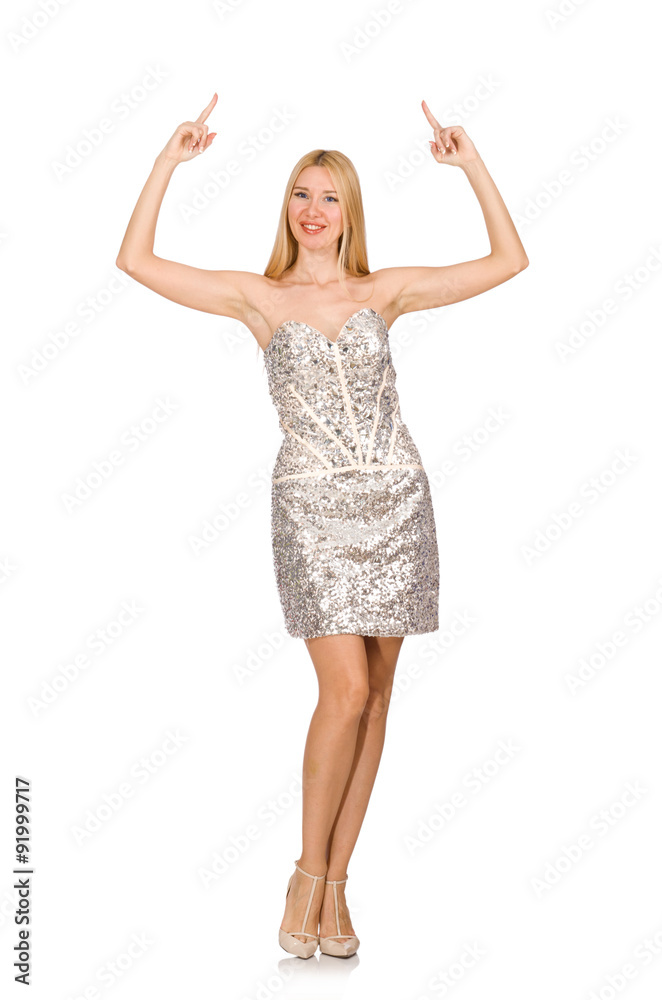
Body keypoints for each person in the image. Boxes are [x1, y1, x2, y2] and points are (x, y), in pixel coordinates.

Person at [116, 92, 529, 960]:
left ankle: (338, 889)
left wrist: (471, 165)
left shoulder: (385, 290)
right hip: (311, 507)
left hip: (398, 502)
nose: (313, 210)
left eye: (330, 196)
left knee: (377, 696)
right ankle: (307, 873)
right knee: (342, 691)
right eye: (301, 195)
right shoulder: (258, 298)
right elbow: (136, 260)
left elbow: (509, 260)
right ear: (286, 209)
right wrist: (167, 162)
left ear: (351, 212)